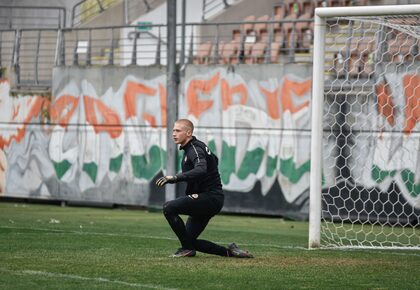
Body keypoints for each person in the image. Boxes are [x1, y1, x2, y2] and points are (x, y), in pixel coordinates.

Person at [156, 119, 253, 258]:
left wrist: (175, 178)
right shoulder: (195, 147)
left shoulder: (193, 148)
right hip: (209, 198)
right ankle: (229, 252)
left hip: (209, 197)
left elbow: (201, 169)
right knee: (188, 240)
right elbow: (214, 160)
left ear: (189, 133)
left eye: (178, 130)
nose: (173, 134)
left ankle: (188, 250)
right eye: (173, 130)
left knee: (169, 208)